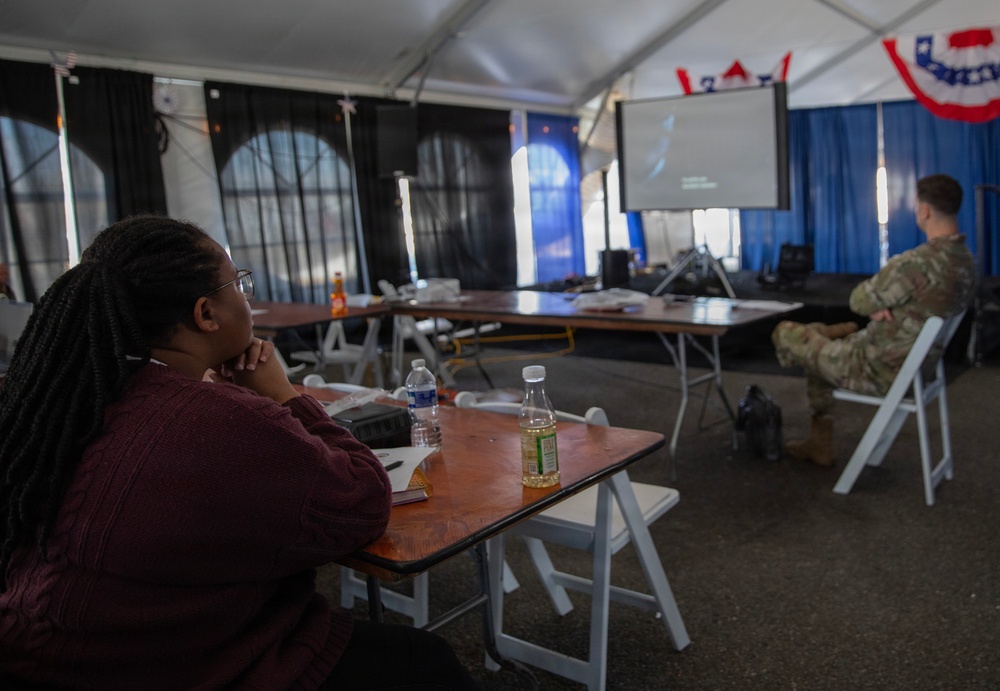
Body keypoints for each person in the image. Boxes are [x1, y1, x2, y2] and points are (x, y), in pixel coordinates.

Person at [0, 216, 480, 689]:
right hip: (164, 664)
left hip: (42, 649)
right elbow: (363, 501)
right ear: (207, 314)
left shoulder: (64, 399)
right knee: (424, 660)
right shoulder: (221, 422)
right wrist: (285, 396)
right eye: (238, 283)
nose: (246, 297)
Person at [771, 174, 977, 467]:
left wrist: (879, 304)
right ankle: (820, 443)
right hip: (919, 368)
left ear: (924, 211)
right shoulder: (966, 262)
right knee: (816, 346)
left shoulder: (915, 263)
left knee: (786, 332)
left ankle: (816, 338)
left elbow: (858, 301)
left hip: (876, 367)